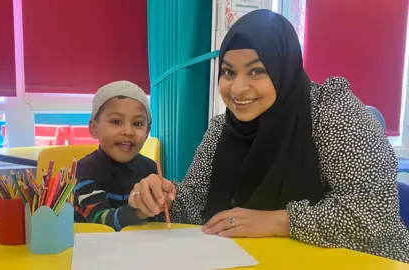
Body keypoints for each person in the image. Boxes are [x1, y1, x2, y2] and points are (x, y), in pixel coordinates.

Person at [128, 10, 409, 262]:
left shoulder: (331, 111)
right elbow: (197, 209)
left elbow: (374, 214)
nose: (237, 88)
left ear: (283, 67)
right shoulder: (221, 130)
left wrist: (279, 222)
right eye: (228, 72)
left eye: (257, 71)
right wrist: (162, 199)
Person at [74, 81, 157, 231]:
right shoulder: (84, 170)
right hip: (92, 249)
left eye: (138, 123)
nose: (128, 131)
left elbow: (156, 221)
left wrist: (165, 201)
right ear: (94, 128)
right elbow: (101, 220)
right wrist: (139, 212)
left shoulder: (150, 168)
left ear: (147, 131)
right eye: (116, 121)